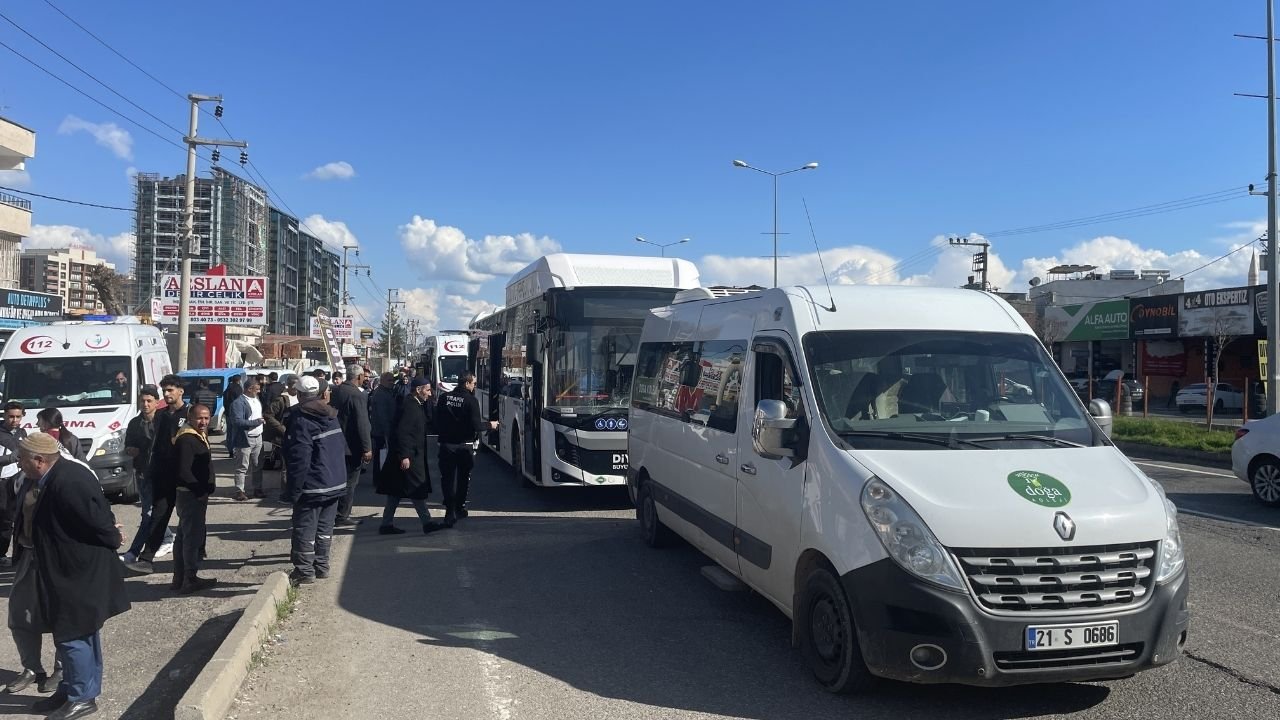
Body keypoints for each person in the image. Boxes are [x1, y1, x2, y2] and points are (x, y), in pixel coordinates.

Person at [10, 432, 130, 719]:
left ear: (39, 460)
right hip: (63, 570)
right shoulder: (52, 477)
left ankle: (82, 697)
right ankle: (69, 689)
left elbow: (97, 521)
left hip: (78, 572)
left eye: (22, 459)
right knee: (73, 632)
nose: (19, 464)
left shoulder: (69, 480)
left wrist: (114, 537)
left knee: (74, 634)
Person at [283, 376, 347, 586]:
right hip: (335, 483)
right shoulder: (332, 415)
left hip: (313, 485)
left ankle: (304, 571)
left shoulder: (301, 420)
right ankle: (321, 566)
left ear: (299, 394)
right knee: (325, 529)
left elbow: (299, 459)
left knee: (305, 529)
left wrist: (293, 490)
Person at [124, 375, 188, 576]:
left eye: (170, 390)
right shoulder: (160, 415)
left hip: (185, 476)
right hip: (161, 475)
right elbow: (155, 445)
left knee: (189, 517)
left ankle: (194, 554)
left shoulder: (190, 413)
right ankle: (146, 559)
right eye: (164, 391)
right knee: (157, 516)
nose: (167, 394)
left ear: (180, 391)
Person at [375, 377, 438, 534]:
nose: (430, 394)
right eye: (428, 390)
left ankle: (386, 524)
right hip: (409, 456)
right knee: (415, 487)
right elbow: (403, 432)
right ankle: (427, 522)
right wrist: (405, 456)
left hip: (409, 454)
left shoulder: (415, 404)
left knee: (396, 490)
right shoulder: (409, 406)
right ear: (418, 390)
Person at [435, 373, 498, 527]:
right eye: (474, 383)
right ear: (467, 383)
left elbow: (436, 420)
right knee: (463, 479)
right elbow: (477, 425)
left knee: (447, 479)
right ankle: (459, 507)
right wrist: (491, 425)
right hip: (465, 446)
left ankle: (449, 511)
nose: (475, 386)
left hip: (446, 445)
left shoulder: (444, 398)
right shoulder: (471, 401)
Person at [172, 404, 217, 594]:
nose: (203, 422)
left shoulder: (199, 435)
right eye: (199, 418)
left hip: (195, 494)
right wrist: (199, 490)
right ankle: (188, 579)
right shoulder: (186, 439)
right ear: (190, 418)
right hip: (190, 495)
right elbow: (183, 471)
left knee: (184, 534)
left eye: (206, 418)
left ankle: (180, 578)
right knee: (191, 537)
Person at [120, 386, 161, 564]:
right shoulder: (134, 423)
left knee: (154, 514)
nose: (145, 404)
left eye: (149, 401)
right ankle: (135, 551)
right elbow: (127, 445)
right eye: (142, 401)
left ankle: (136, 550)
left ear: (156, 402)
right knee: (149, 513)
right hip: (144, 474)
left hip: (163, 475)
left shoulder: (163, 421)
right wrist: (131, 450)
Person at [331, 365, 372, 527]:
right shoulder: (357, 395)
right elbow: (362, 423)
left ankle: (332, 513)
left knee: (336, 480)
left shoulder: (336, 390)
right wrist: (367, 448)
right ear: (359, 377)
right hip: (351, 446)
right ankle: (342, 515)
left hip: (334, 442)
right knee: (350, 482)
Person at [228, 380, 266, 501]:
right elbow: (237, 421)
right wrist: (256, 422)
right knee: (242, 466)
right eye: (256, 389)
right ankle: (239, 491)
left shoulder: (256, 399)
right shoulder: (238, 403)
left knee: (258, 465)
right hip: (245, 439)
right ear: (249, 389)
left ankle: (257, 488)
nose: (259, 391)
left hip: (258, 437)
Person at [0, 401, 27, 567]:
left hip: (17, 479)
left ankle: (10, 554)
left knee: (15, 518)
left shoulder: (22, 432)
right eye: (11, 417)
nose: (14, 420)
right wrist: (10, 458)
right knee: (3, 518)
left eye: (18, 417)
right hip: (2, 482)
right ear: (4, 415)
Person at [368, 372, 399, 473]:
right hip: (381, 432)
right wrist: (387, 433)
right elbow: (382, 416)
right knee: (381, 457)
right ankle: (379, 477)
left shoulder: (386, 391)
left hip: (383, 431)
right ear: (382, 381)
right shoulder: (381, 394)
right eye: (389, 380)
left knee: (382, 457)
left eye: (392, 380)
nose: (392, 382)